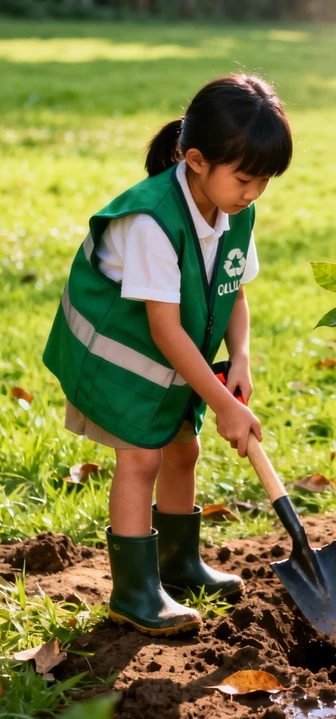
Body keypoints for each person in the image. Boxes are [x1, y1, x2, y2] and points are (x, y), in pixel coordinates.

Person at [44, 73, 292, 636]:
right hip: (117, 360)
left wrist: (241, 358)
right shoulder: (151, 220)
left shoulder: (234, 211)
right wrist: (224, 405)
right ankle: (133, 592)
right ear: (197, 160)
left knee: (185, 450)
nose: (253, 193)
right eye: (245, 178)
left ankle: (178, 565)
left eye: (264, 181)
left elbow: (235, 292)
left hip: (171, 361)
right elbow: (163, 329)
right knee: (142, 459)